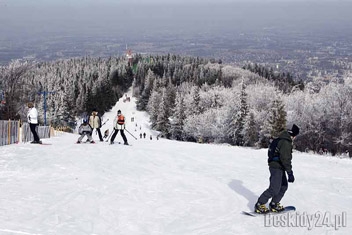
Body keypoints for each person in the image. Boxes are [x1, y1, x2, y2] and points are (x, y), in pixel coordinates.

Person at [254, 124, 300, 214]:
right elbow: (285, 159)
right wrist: (290, 173)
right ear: (293, 135)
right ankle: (260, 204)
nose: (294, 138)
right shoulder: (286, 142)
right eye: (295, 136)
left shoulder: (282, 139)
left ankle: (274, 203)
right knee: (274, 188)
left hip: (279, 166)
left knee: (283, 186)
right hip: (276, 167)